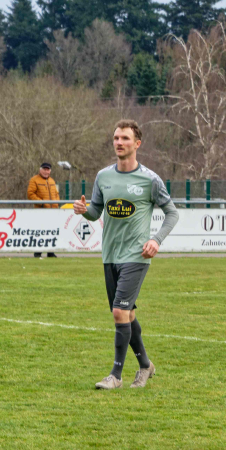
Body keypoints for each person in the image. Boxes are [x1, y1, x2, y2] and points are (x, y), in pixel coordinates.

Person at [72, 119, 179, 390]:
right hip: (110, 254)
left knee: (119, 311)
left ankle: (115, 376)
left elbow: (172, 213)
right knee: (127, 314)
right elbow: (97, 211)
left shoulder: (150, 180)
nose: (119, 142)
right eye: (116, 138)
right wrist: (85, 211)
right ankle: (146, 366)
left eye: (125, 139)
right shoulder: (103, 177)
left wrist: (156, 240)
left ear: (137, 144)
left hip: (136, 255)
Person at [28, 162, 60, 257]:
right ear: (40, 170)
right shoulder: (34, 180)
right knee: (40, 232)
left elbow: (56, 194)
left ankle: (50, 252)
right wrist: (41, 202)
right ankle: (38, 253)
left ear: (50, 171)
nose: (46, 171)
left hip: (52, 211)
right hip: (40, 211)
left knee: (51, 231)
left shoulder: (52, 181)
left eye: (48, 169)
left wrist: (56, 203)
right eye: (44, 169)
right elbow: (30, 194)